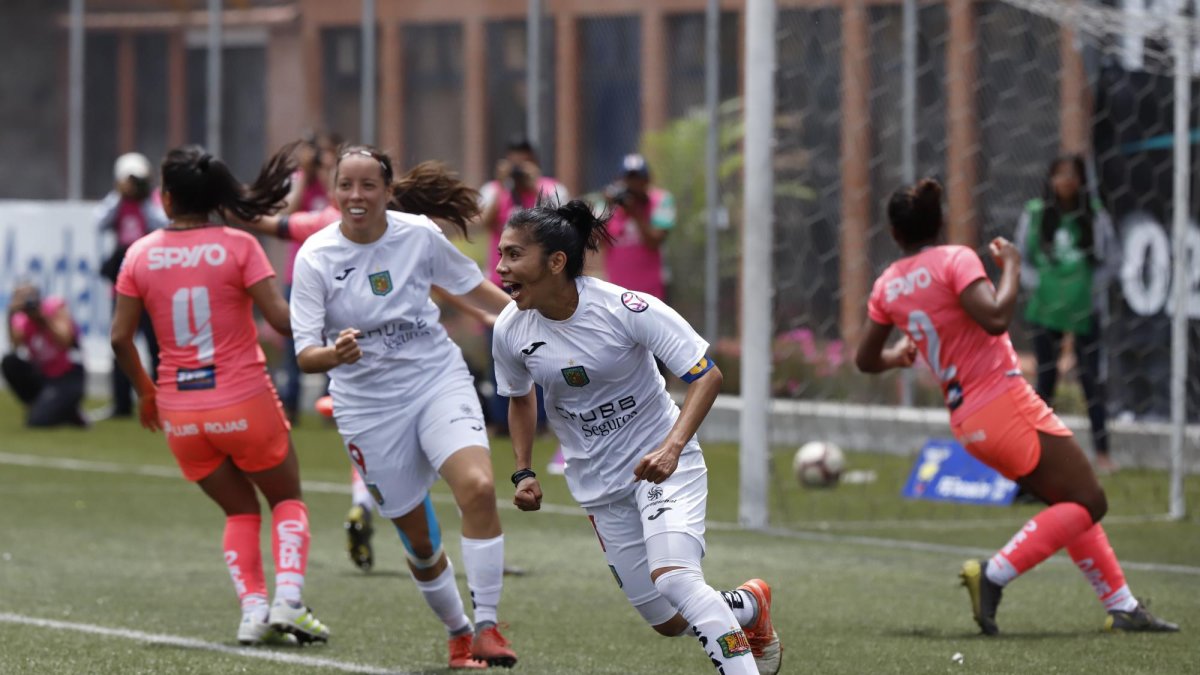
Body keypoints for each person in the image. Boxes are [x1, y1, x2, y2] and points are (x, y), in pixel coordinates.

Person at [854, 178, 1178, 636]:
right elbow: (996, 317)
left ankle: (1121, 604)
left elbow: (865, 359)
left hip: (967, 419)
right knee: (1090, 500)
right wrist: (1010, 265)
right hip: (1003, 402)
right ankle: (993, 575)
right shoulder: (955, 259)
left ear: (893, 233)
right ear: (940, 221)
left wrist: (896, 356)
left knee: (1070, 502)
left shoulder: (888, 284)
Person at [492, 200, 782, 675]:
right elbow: (520, 396)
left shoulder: (626, 308)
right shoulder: (510, 328)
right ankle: (749, 606)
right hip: (599, 487)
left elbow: (706, 376)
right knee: (668, 621)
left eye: (514, 255)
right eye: (501, 254)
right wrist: (524, 470)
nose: (500, 267)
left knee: (676, 579)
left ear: (556, 262)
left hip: (665, 466)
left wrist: (672, 447)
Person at [290, 145, 516, 669]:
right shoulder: (315, 258)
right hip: (367, 407)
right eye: (346, 185)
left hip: (436, 379)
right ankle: (458, 634)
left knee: (479, 488)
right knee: (418, 539)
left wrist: (543, 323)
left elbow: (476, 292)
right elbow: (305, 354)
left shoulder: (418, 235)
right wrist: (334, 352)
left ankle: (487, 626)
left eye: (369, 185)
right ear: (333, 192)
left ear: (389, 192)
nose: (356, 195)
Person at [110, 144, 331, 646]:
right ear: (214, 198)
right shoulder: (238, 246)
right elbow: (280, 320)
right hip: (244, 400)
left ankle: (253, 612)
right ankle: (289, 602)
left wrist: (147, 393)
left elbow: (120, 337)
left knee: (239, 511)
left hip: (181, 413)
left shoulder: (140, 253)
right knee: (287, 501)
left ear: (165, 200)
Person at [1014, 155, 1122, 474]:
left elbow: (1113, 260)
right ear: (1050, 180)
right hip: (1046, 309)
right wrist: (1046, 286)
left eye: (1071, 175)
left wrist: (1085, 288)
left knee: (1091, 380)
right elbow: (1020, 257)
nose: (1065, 182)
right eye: (1059, 175)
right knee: (1046, 381)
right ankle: (1036, 453)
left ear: (1081, 181)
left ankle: (1102, 454)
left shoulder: (1095, 216)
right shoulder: (1035, 214)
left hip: (1086, 309)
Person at [478, 136, 567, 467]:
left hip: (539, 288)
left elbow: (559, 225)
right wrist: (504, 185)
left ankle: (544, 422)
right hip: (499, 288)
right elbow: (483, 224)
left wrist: (531, 185)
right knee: (501, 354)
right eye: (512, 159)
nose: (517, 166)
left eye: (523, 160)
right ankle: (502, 421)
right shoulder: (494, 190)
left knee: (541, 353)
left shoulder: (548, 188)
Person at [96, 152, 167, 417]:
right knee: (121, 341)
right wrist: (119, 195)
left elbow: (161, 222)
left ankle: (163, 399)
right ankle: (121, 402)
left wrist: (144, 196)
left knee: (155, 344)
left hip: (151, 281)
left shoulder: (153, 202)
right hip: (124, 282)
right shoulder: (117, 203)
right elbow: (99, 221)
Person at [3, 282, 86, 427]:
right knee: (9, 362)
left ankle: (68, 411)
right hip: (44, 375)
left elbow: (65, 340)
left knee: (37, 421)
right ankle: (41, 404)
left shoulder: (55, 309)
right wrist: (11, 314)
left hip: (68, 375)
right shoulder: (22, 320)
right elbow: (15, 345)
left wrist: (43, 319)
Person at [602, 153, 676, 301]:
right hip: (617, 295)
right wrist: (606, 210)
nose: (634, 184)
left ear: (647, 180)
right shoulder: (612, 207)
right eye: (630, 179)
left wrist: (635, 214)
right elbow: (596, 242)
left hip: (652, 295)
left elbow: (654, 241)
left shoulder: (661, 200)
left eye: (638, 179)